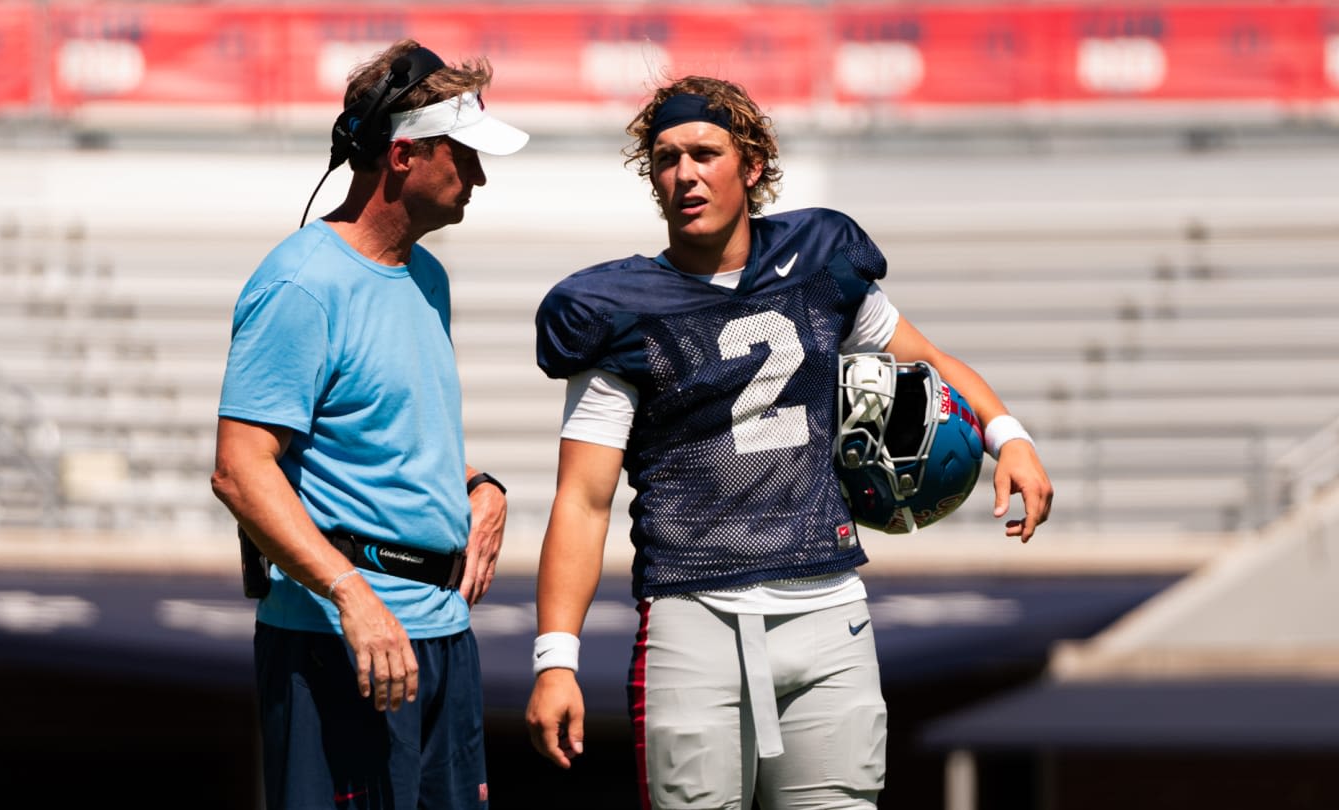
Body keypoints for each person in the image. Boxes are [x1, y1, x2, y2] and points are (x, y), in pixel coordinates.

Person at [523, 75, 1053, 809]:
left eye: (705, 153)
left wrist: (1009, 436)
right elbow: (582, 501)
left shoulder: (818, 261)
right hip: (690, 616)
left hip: (826, 605)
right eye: (667, 158)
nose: (686, 174)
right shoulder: (616, 311)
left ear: (752, 164)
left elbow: (924, 359)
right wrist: (556, 659)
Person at [210, 39, 527, 810]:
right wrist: (353, 597)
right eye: (465, 156)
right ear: (405, 155)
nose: (479, 176)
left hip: (438, 638)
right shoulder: (301, 283)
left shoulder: (427, 276)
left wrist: (480, 487)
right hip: (341, 642)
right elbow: (240, 469)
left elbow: (387, 436)